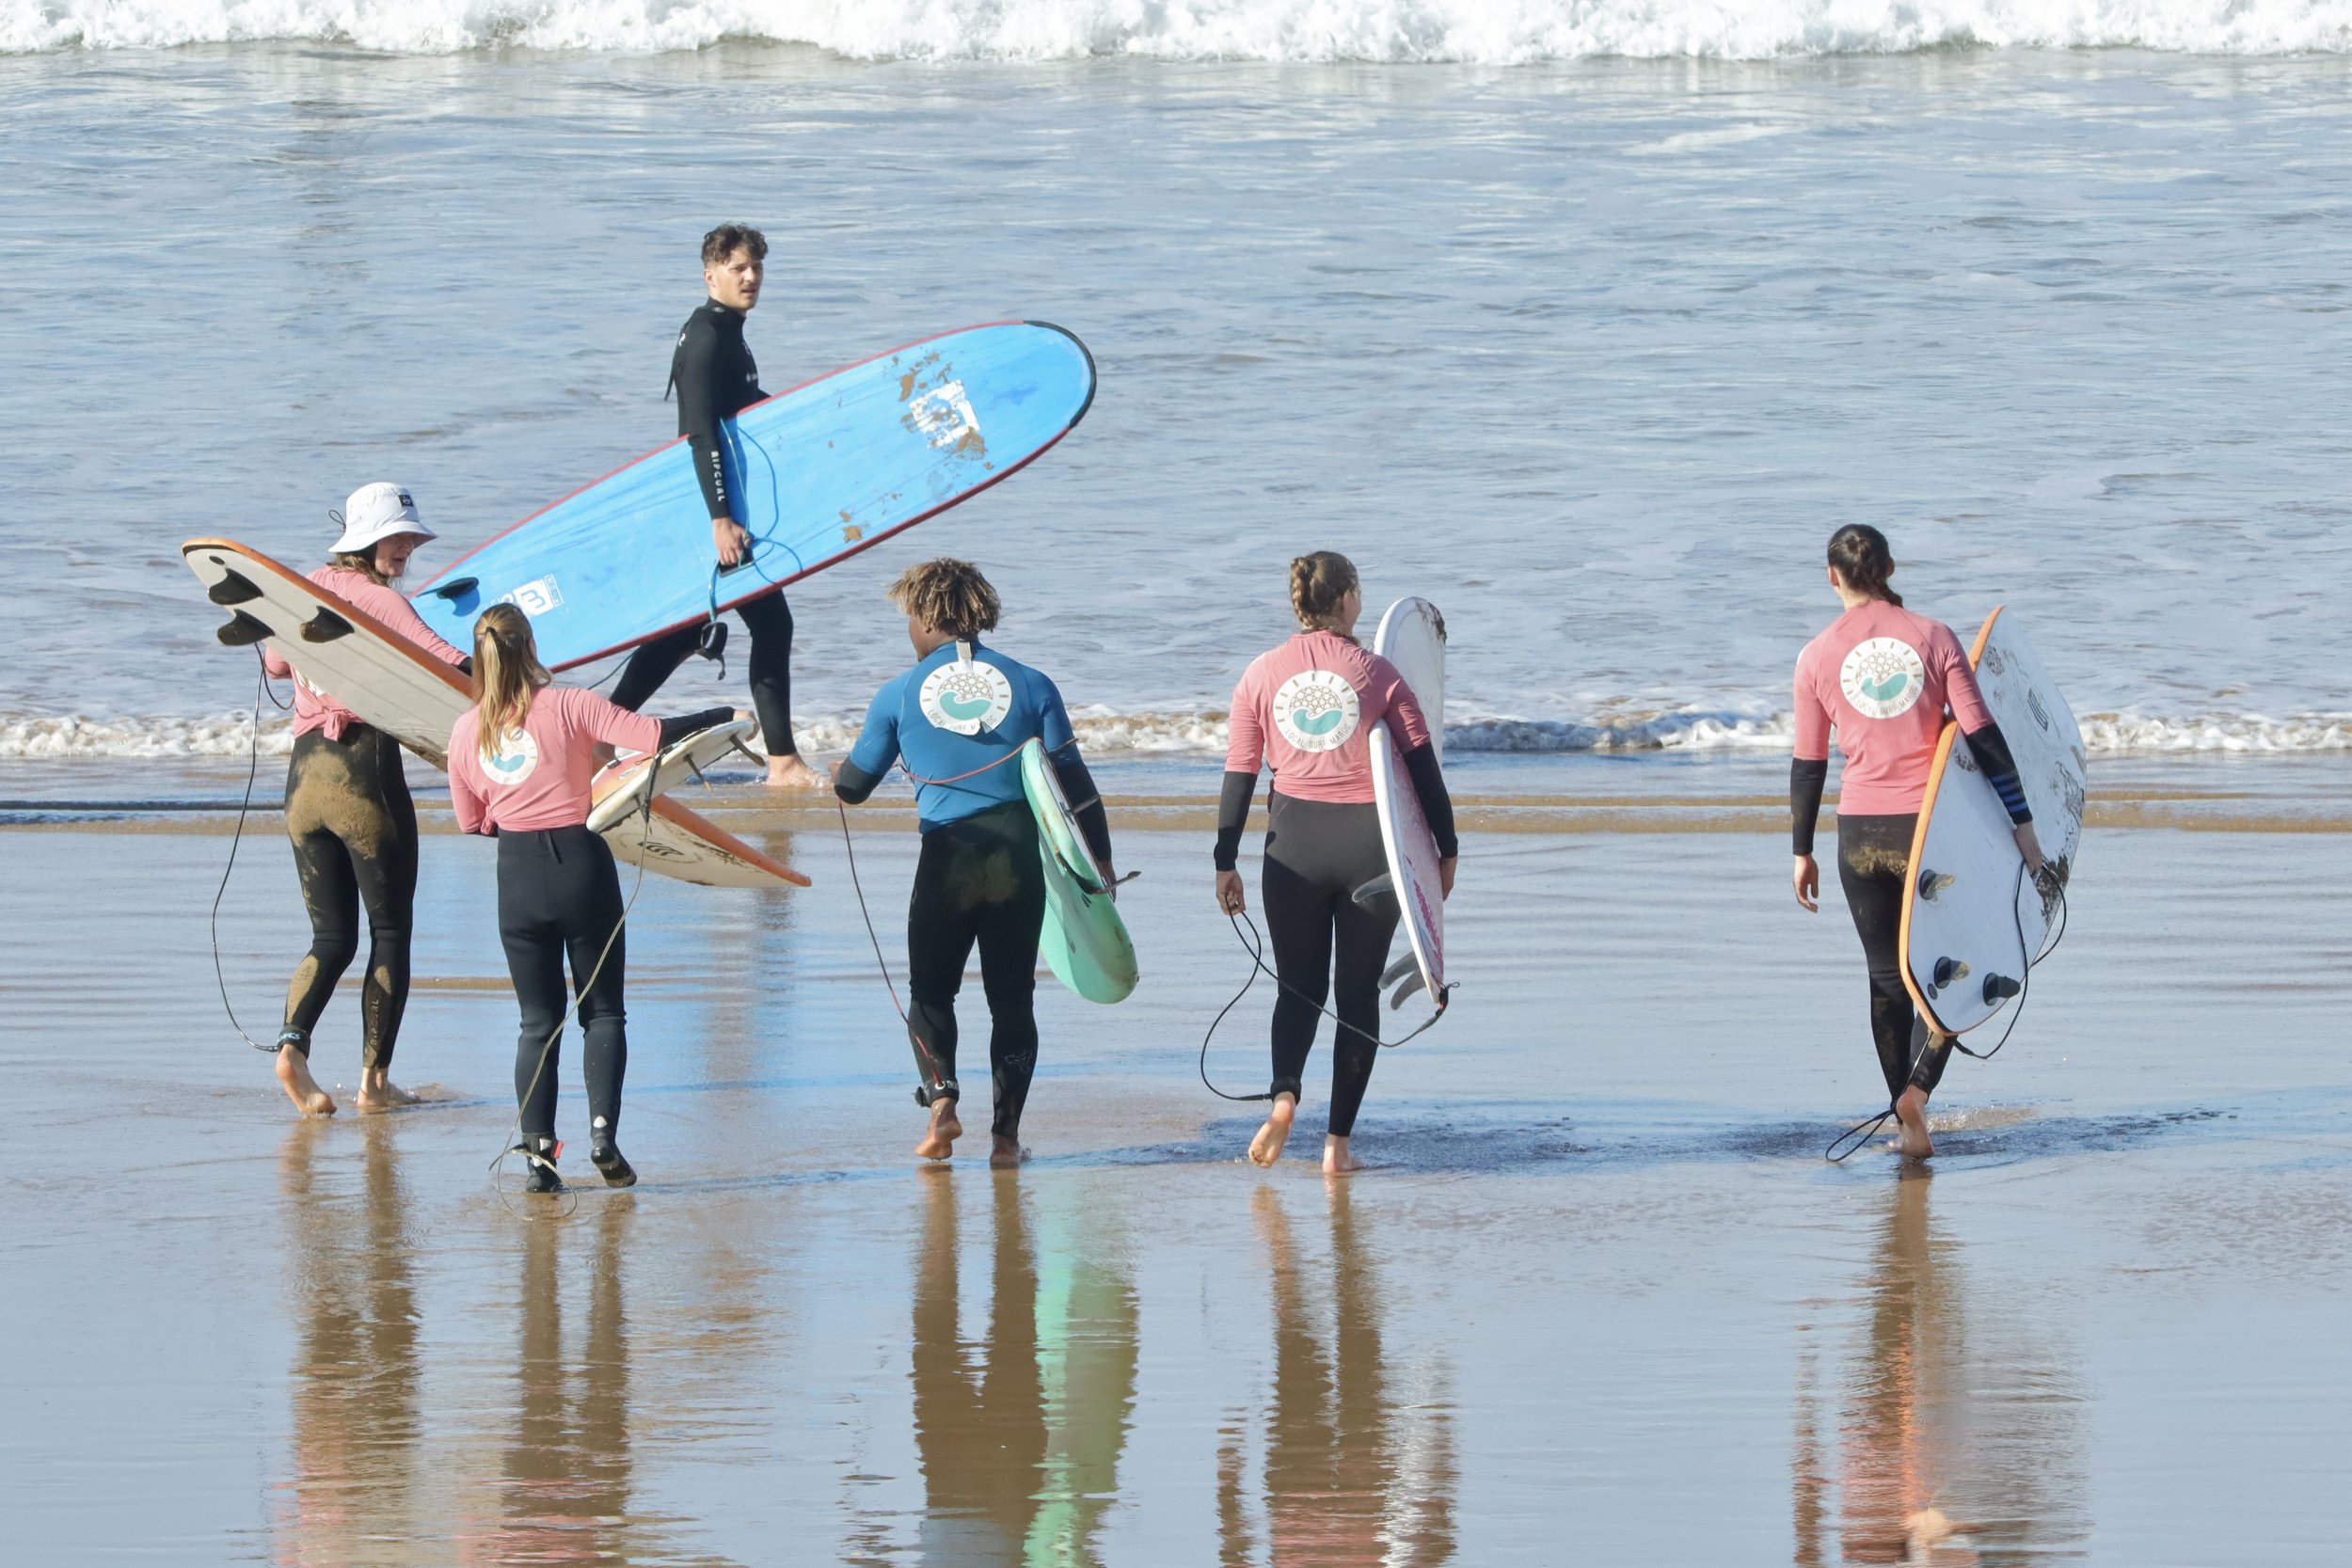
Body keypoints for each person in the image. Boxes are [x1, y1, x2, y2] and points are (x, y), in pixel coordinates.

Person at [833, 559, 1115, 1167]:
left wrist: (838, 774)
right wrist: (1101, 866)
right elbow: (1078, 787)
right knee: (1011, 999)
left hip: (946, 861)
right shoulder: (1032, 683)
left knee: (931, 992)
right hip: (1017, 863)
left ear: (926, 616)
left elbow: (854, 787)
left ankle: (942, 1102)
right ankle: (1006, 1141)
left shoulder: (900, 693)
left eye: (909, 614)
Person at [448, 604, 737, 1193]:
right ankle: (603, 1134)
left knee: (536, 1022)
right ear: (531, 646)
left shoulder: (464, 730)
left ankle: (538, 1161)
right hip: (582, 868)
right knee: (602, 1010)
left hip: (517, 878)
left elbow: (471, 822)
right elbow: (653, 736)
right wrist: (726, 718)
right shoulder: (570, 703)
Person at [1789, 525, 2044, 1160]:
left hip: (1859, 835)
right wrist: (2022, 820)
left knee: (1885, 980)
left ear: (1831, 576)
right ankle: (1920, 1090)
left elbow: (1809, 763)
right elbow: (1983, 737)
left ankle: (1902, 1113)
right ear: (1891, 567)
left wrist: (1802, 849)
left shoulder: (1815, 656)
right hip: (1930, 832)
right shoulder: (1933, 637)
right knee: (1953, 967)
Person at [1213, 552, 1458, 1175]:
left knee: (1297, 990)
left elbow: (1240, 774)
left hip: (1290, 845)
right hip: (1368, 850)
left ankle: (1284, 1096)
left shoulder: (1260, 675)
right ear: (1348, 598)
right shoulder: (1379, 674)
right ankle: (1337, 1148)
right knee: (1356, 997)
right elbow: (1424, 769)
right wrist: (1444, 851)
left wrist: (1225, 860)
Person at [262, 482, 468, 1118]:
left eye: (411, 538)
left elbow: (273, 661)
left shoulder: (307, 589)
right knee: (390, 931)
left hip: (303, 784)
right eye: (399, 537)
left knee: (330, 935)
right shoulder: (381, 601)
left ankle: (292, 1049)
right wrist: (519, 680)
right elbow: (446, 663)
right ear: (369, 541)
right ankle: (375, 1085)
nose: (409, 547)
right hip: (363, 779)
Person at [608, 222, 826, 791]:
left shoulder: (727, 331)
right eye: (738, 268)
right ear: (711, 275)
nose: (751, 277)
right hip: (716, 510)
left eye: (756, 267)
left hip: (717, 506)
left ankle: (600, 732)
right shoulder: (707, 335)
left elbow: (743, 406)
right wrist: (721, 518)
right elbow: (700, 435)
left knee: (685, 630)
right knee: (772, 624)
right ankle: (783, 764)